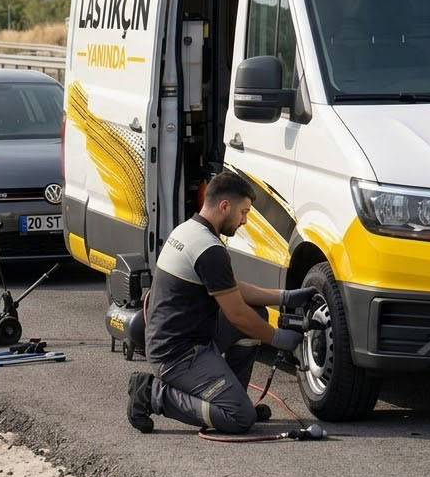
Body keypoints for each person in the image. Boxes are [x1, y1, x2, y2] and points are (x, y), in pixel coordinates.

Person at [126, 171, 317, 434]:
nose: (245, 221)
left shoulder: (190, 230)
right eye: (243, 212)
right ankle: (153, 393)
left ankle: (232, 394)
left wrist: (284, 296)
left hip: (184, 338)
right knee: (239, 418)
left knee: (257, 315)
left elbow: (231, 289)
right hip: (177, 356)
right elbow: (236, 313)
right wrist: (279, 339)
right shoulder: (208, 249)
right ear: (224, 206)